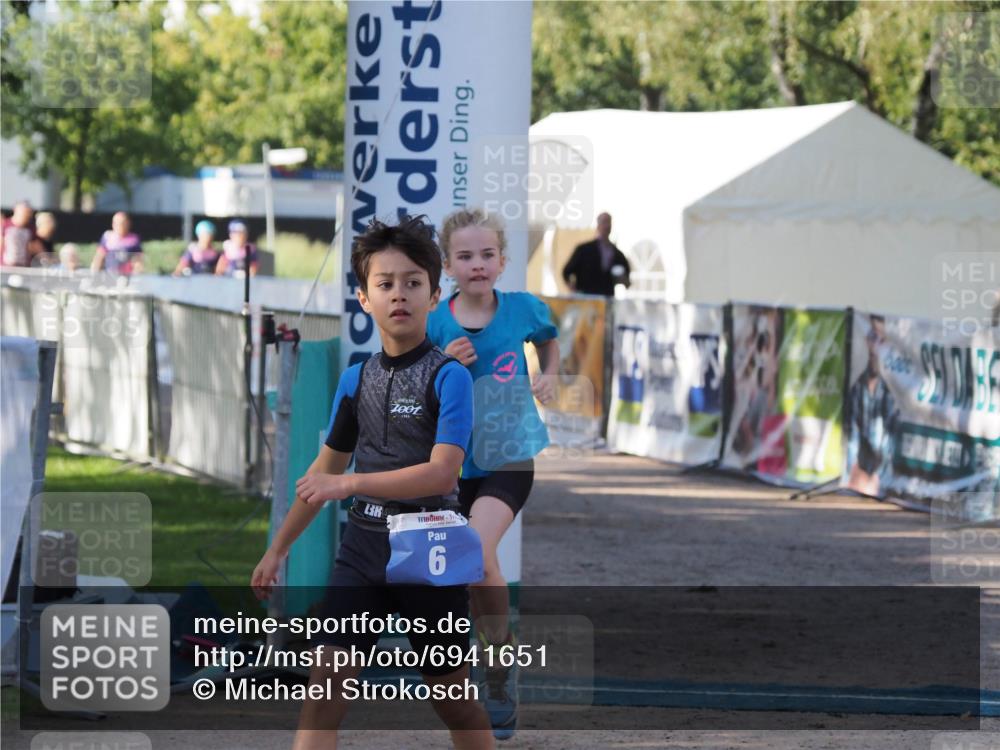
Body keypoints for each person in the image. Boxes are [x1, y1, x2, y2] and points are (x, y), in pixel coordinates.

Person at [251, 215, 494, 750]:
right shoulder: (355, 379)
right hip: (362, 550)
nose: (399, 294)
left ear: (434, 295)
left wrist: (353, 484)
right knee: (322, 699)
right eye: (384, 284)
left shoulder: (448, 376)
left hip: (431, 551)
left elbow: (442, 472)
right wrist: (279, 549)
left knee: (456, 706)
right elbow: (321, 478)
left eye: (413, 283)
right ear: (364, 298)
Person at [427, 208, 560, 740]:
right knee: (473, 570)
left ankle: (499, 672)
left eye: (487, 255)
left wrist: (548, 375)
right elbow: (415, 383)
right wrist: (442, 362)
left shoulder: (525, 309)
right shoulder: (436, 321)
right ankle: (488, 660)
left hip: (510, 456)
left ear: (503, 261)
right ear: (448, 265)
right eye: (466, 256)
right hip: (451, 463)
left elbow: (548, 338)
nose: (477, 264)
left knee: (477, 554)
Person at [846, 315, 899, 497]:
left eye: (880, 340)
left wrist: (878, 475)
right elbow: (852, 434)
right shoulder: (857, 388)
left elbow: (890, 442)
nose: (875, 346)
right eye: (871, 338)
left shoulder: (890, 392)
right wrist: (852, 469)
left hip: (880, 479)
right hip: (860, 476)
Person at [561, 212, 631, 296]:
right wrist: (573, 289)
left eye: (608, 222)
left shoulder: (618, 254)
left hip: (607, 299)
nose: (607, 226)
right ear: (598, 225)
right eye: (604, 222)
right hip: (587, 298)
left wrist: (622, 280)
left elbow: (627, 281)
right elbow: (566, 271)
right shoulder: (584, 250)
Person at [92, 211, 143, 275]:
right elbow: (99, 257)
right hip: (109, 276)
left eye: (122, 223)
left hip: (127, 276)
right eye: (117, 223)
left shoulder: (134, 240)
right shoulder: (107, 237)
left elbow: (137, 261)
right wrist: (94, 273)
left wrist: (137, 275)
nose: (119, 226)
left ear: (128, 223)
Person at [1, 201, 40, 267]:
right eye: (24, 212)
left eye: (28, 213)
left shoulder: (31, 228)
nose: (27, 215)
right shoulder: (5, 225)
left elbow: (35, 247)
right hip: (6, 265)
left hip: (23, 266)